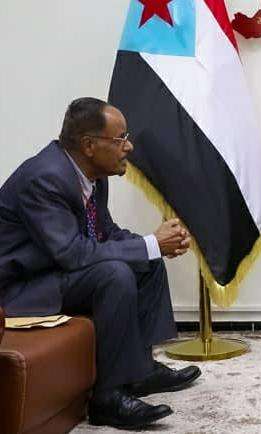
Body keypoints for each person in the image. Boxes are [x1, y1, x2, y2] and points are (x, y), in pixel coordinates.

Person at [0, 97, 202, 430]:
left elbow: (105, 233)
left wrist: (153, 246)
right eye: (120, 138)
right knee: (114, 272)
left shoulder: (92, 174)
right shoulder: (44, 178)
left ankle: (141, 371)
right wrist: (150, 244)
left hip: (54, 273)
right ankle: (107, 399)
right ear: (89, 145)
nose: (129, 146)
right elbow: (72, 253)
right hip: (20, 290)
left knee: (147, 261)